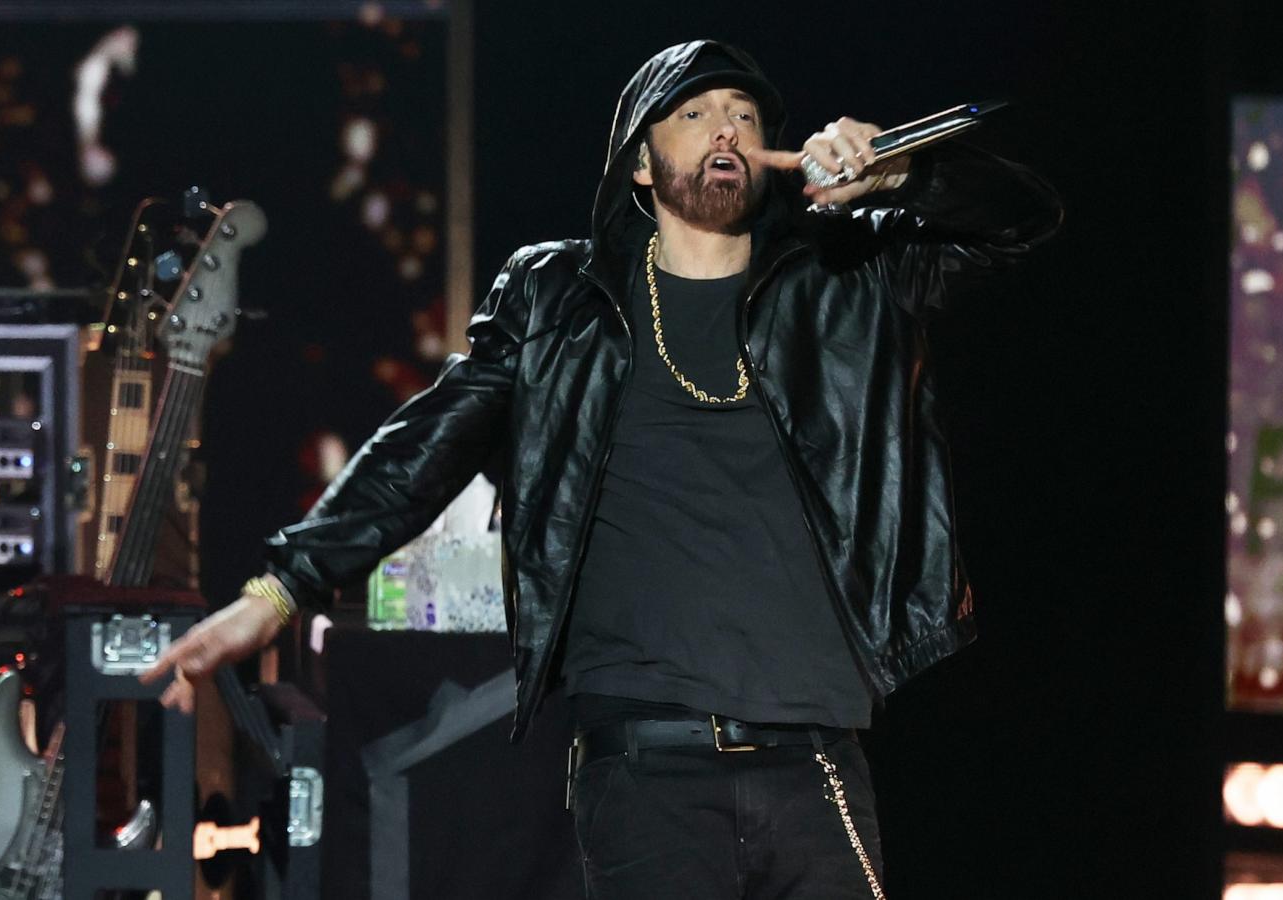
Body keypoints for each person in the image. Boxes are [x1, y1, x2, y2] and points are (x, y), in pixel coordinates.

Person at [142, 39, 1062, 899]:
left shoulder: (848, 282)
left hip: (816, 756)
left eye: (744, 113)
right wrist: (276, 591)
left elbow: (1023, 222)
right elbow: (423, 445)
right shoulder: (557, 299)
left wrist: (908, 173)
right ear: (638, 159)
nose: (728, 130)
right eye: (695, 114)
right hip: (644, 767)